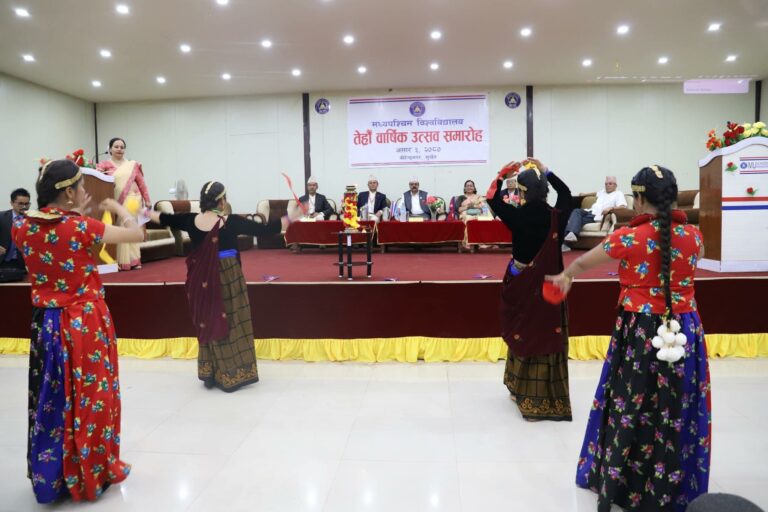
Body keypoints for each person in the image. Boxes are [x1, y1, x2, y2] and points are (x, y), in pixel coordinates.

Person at [547, 165, 710, 511]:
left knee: (633, 401)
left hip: (641, 332)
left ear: (638, 198)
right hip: (684, 331)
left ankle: (626, 480)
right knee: (676, 403)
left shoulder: (628, 237)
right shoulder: (694, 236)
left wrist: (565, 276)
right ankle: (671, 480)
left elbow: (582, 263)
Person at [13, 159, 143, 503]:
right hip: (84, 323)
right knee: (92, 397)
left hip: (46, 324)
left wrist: (74, 213)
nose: (85, 192)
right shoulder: (82, 227)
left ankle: (53, 475)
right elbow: (136, 234)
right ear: (69, 193)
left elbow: (56, 240)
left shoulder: (21, 227)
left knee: (52, 396)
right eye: (81, 187)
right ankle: (90, 471)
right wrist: (120, 208)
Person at [145, 181, 291, 392]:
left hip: (201, 279)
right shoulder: (231, 222)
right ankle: (232, 373)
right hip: (228, 277)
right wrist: (292, 217)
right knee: (232, 320)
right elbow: (267, 230)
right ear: (222, 201)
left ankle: (210, 372)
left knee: (209, 319)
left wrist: (137, 211)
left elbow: (163, 217)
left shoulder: (190, 220)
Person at [486, 158, 574, 422]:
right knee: (546, 334)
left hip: (521, 281)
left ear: (522, 192)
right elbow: (567, 193)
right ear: (546, 190)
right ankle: (546, 399)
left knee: (523, 332)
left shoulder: (516, 215)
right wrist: (547, 170)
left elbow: (491, 198)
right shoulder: (557, 216)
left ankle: (519, 390)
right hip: (549, 286)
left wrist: (503, 175)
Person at [96, 137, 152, 270]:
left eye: (122, 147)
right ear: (110, 149)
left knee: (132, 227)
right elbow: (97, 178)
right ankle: (122, 261)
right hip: (118, 201)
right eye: (116, 147)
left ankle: (134, 260)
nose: (119, 149)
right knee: (122, 227)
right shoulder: (104, 165)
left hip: (134, 200)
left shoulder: (132, 165)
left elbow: (141, 183)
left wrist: (147, 200)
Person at [563, 175, 626, 251]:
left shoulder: (618, 194)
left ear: (615, 185)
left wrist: (611, 208)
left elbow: (622, 206)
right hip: (590, 212)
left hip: (598, 216)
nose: (607, 185)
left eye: (610, 184)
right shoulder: (602, 192)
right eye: (606, 184)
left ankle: (566, 244)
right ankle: (571, 235)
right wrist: (584, 194)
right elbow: (595, 193)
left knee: (574, 221)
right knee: (576, 212)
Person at [0, 188, 31, 280]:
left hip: (23, 265)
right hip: (2, 261)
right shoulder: (1, 217)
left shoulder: (32, 220)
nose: (24, 206)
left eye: (27, 204)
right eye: (20, 203)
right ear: (12, 203)